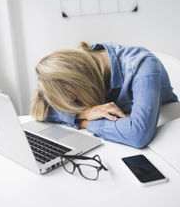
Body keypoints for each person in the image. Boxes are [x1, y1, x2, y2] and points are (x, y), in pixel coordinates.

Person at [31, 42, 178, 149]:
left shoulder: (143, 65)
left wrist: (85, 123)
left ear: (80, 79)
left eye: (74, 98)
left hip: (166, 132)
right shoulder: (84, 63)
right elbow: (40, 111)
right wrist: (86, 112)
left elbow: (138, 134)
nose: (73, 103)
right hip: (118, 140)